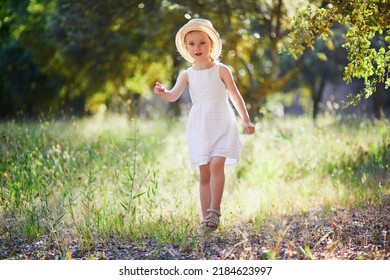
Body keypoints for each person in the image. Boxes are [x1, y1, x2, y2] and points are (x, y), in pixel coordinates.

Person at [154, 18, 255, 232]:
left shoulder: (222, 70)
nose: (197, 48)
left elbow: (235, 97)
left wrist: (246, 121)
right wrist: (164, 93)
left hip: (222, 123)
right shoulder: (187, 74)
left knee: (217, 164)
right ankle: (205, 220)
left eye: (202, 42)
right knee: (204, 173)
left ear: (211, 44)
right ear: (186, 47)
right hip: (200, 126)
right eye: (192, 44)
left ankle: (214, 212)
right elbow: (173, 96)